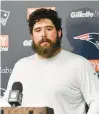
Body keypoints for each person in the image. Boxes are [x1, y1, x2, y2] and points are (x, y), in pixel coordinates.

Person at [3, 8, 99, 114]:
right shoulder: (21, 66)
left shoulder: (79, 64)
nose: (43, 34)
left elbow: (96, 100)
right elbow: (7, 103)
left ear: (59, 33)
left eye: (48, 29)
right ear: (32, 36)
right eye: (38, 30)